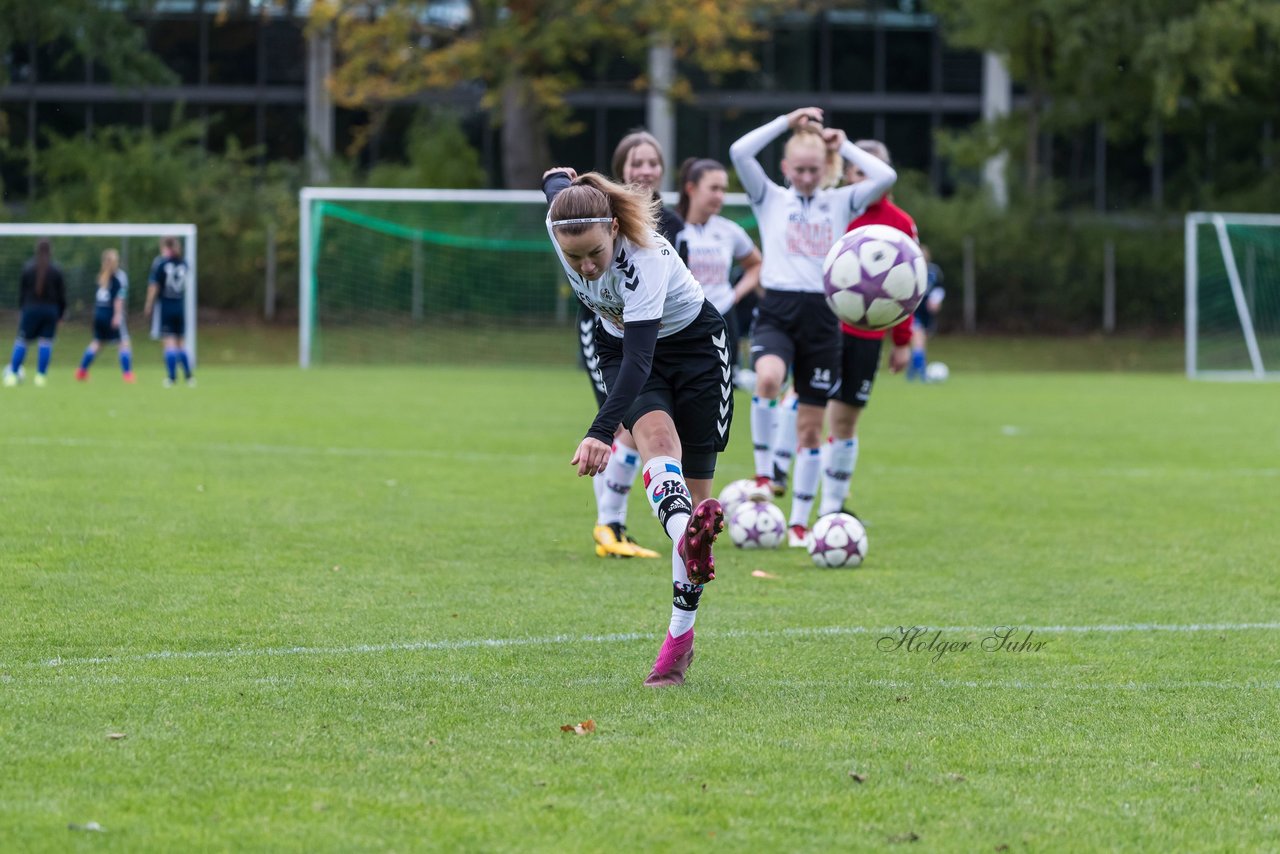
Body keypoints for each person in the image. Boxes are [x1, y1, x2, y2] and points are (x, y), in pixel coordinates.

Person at [543, 166, 732, 687]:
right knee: (656, 443)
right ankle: (686, 537)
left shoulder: (643, 261)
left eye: (594, 255)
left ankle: (679, 638)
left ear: (614, 232)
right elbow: (556, 189)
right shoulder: (561, 223)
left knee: (695, 487)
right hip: (616, 347)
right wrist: (557, 178)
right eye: (573, 256)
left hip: (694, 349)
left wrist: (600, 431)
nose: (584, 267)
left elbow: (640, 361)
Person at [729, 107, 896, 547]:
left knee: (808, 427)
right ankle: (765, 474)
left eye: (813, 170)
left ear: (826, 169)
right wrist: (786, 123)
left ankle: (801, 523)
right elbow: (739, 151)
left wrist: (844, 146)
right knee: (767, 378)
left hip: (824, 318)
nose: (805, 177)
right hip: (778, 309)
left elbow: (885, 177)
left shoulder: (839, 200)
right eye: (798, 169)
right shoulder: (769, 197)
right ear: (785, 168)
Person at [575, 130, 685, 561]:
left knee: (634, 428)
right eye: (636, 163)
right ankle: (609, 524)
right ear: (621, 171)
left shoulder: (672, 222)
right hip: (605, 333)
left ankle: (611, 524)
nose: (645, 170)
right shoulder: (596, 213)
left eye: (652, 163)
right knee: (619, 422)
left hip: (649, 332)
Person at [817, 140, 915, 520]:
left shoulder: (901, 223)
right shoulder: (836, 211)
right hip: (825, 328)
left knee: (846, 419)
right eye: (861, 170)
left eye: (876, 169)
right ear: (848, 174)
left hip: (867, 336)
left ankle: (833, 508)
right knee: (808, 410)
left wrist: (902, 341)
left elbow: (908, 290)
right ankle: (789, 494)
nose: (867, 177)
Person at [674, 157, 762, 387]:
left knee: (716, 396)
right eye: (713, 188)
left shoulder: (728, 230)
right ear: (690, 188)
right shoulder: (672, 229)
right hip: (682, 322)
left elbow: (756, 264)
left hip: (722, 320)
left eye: (723, 189)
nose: (720, 196)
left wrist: (734, 295)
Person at [4, 240, 67, 388]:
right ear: (50, 251)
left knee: (22, 341)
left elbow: (22, 293)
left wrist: (22, 310)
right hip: (51, 311)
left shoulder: (28, 268)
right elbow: (62, 296)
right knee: (45, 342)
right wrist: (61, 314)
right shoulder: (56, 270)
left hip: (31, 309)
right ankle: (40, 377)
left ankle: (12, 375)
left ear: (36, 250)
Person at [75, 249, 136, 383]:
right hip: (111, 314)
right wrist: (118, 315)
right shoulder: (119, 277)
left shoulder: (101, 276)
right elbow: (119, 299)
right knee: (124, 343)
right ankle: (128, 375)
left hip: (99, 314)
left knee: (97, 343)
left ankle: (81, 371)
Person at [143, 236, 194, 388]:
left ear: (164, 246)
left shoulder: (160, 263)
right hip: (179, 306)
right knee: (181, 344)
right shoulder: (183, 263)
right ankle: (189, 377)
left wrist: (149, 304)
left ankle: (172, 378)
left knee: (169, 343)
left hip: (165, 306)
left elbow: (154, 285)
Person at [907, 245, 945, 381]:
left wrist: (937, 300)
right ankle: (922, 374)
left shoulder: (934, 271)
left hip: (927, 314)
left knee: (920, 341)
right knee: (918, 340)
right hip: (913, 312)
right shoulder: (910, 270)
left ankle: (911, 373)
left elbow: (940, 289)